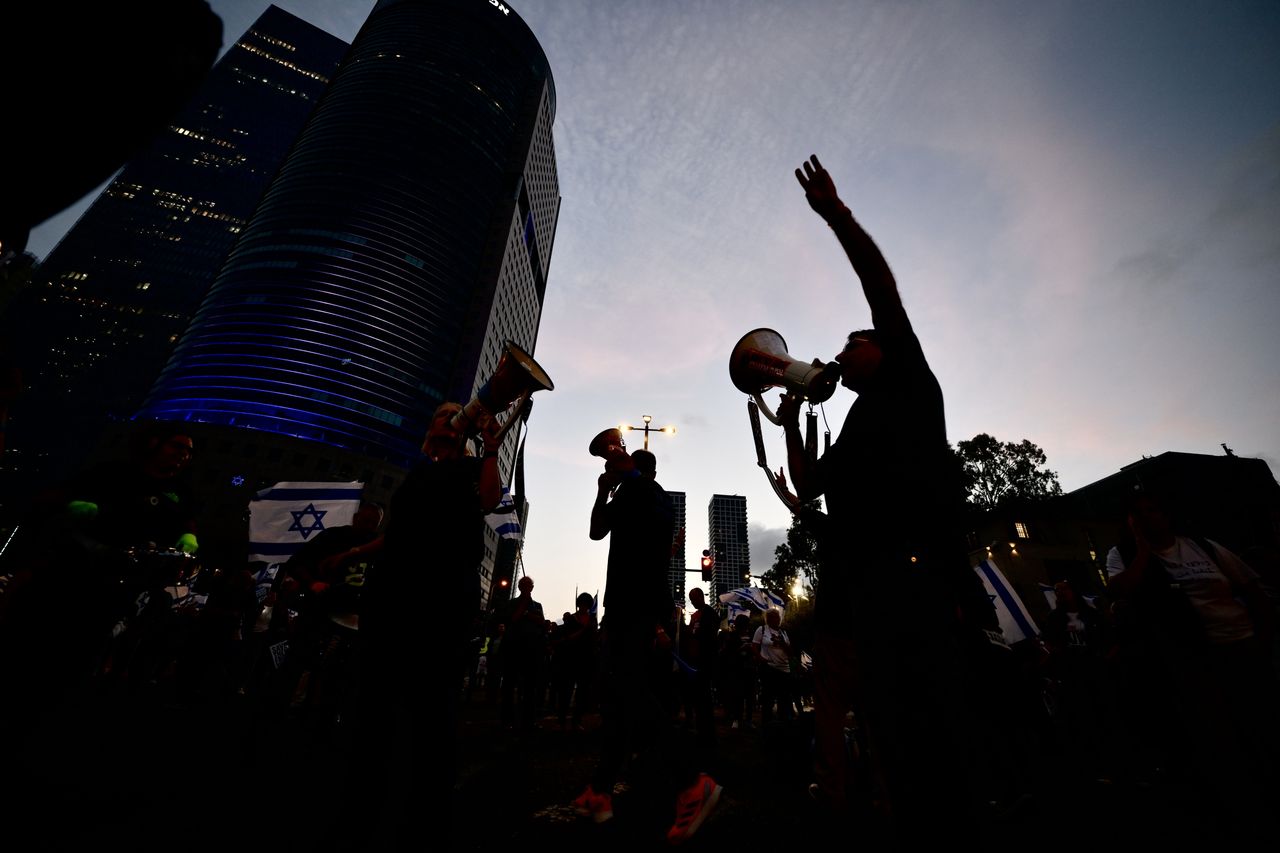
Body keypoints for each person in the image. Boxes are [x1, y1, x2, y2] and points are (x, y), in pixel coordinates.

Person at [778, 155, 990, 845]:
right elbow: (809, 485)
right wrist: (786, 428)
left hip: (921, 579)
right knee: (896, 740)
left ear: (879, 348)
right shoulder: (854, 425)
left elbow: (880, 286)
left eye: (851, 342)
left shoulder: (907, 381)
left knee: (938, 738)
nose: (841, 351)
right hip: (870, 599)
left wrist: (837, 215)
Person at [325, 401, 503, 846]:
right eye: (444, 413)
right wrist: (351, 554)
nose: (452, 417)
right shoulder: (421, 472)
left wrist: (491, 450)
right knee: (374, 701)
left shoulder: (467, 467)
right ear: (431, 427)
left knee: (431, 705)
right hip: (391, 594)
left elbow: (489, 498)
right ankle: (363, 806)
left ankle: (424, 815)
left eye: (457, 414)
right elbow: (397, 535)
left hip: (439, 597)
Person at [1105, 490, 1279, 840]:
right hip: (1190, 659)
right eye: (1137, 513)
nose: (1146, 516)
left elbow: (1252, 587)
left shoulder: (1205, 547)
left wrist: (1265, 636)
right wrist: (1141, 551)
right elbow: (1122, 589)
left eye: (1152, 508)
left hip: (1242, 645)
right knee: (1222, 738)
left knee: (1264, 725)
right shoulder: (1121, 555)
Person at [571, 444, 722, 845]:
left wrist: (629, 475)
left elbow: (656, 518)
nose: (612, 464)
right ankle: (601, 790)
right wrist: (603, 491)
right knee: (619, 700)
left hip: (637, 605)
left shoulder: (653, 495)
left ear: (642, 469)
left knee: (630, 692)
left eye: (621, 461)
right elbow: (596, 530)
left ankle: (692, 779)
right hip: (621, 605)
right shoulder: (625, 497)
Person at [495, 574, 547, 732]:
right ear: (519, 588)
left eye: (528, 585)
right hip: (513, 650)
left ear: (532, 588)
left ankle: (529, 720)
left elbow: (542, 624)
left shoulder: (537, 606)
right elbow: (512, 619)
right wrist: (523, 610)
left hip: (531, 652)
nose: (526, 588)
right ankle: (506, 720)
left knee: (530, 688)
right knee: (509, 686)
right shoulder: (512, 603)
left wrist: (529, 614)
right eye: (523, 585)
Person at [685, 587, 720, 764]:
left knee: (704, 698)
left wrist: (697, 633)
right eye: (690, 599)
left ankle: (707, 733)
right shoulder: (696, 615)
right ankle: (701, 729)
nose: (692, 601)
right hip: (695, 661)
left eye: (693, 598)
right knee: (699, 698)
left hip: (705, 662)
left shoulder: (709, 614)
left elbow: (709, 635)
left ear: (700, 596)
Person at [751, 608, 795, 725]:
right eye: (772, 617)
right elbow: (754, 646)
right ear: (768, 619)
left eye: (777, 617)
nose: (776, 619)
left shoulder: (783, 633)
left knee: (784, 699)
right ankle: (767, 725)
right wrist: (761, 658)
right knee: (768, 699)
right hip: (769, 669)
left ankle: (783, 724)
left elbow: (790, 652)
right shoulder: (762, 630)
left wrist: (783, 643)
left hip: (784, 669)